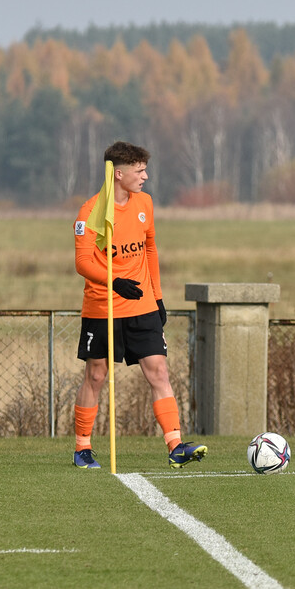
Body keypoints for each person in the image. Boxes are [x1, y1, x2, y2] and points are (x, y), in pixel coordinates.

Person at [72, 141, 205, 469]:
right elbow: (82, 261)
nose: (146, 176)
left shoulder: (145, 203)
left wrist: (158, 297)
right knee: (96, 375)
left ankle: (175, 445)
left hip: (142, 305)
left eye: (145, 169)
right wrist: (113, 280)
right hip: (103, 307)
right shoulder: (90, 212)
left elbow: (150, 250)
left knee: (159, 370)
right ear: (118, 174)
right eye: (139, 170)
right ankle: (82, 448)